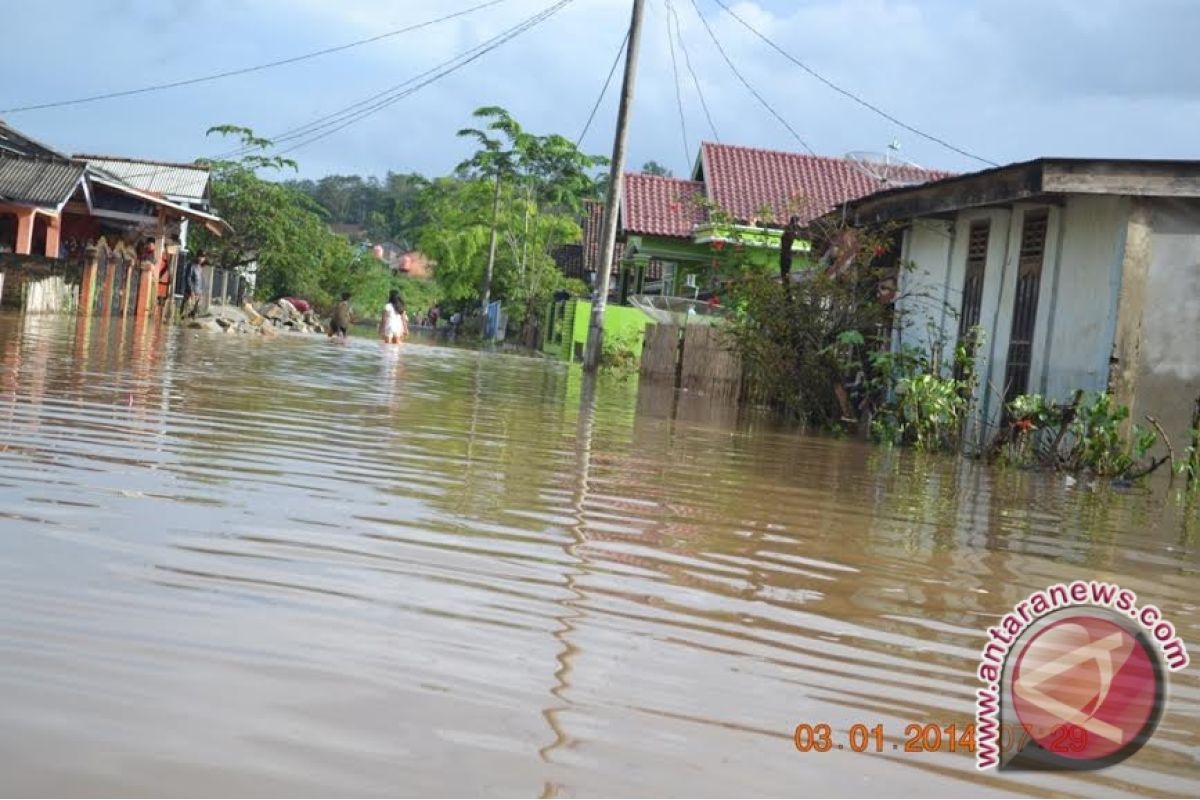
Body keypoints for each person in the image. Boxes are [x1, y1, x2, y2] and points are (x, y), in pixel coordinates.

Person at [183, 251, 206, 318]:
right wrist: (191, 291)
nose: (201, 259)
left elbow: (199, 281)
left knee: (194, 315)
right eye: (200, 256)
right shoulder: (191, 265)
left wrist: (200, 293)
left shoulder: (200, 268)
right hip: (190, 293)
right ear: (197, 256)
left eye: (203, 257)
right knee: (186, 314)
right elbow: (188, 278)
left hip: (198, 294)